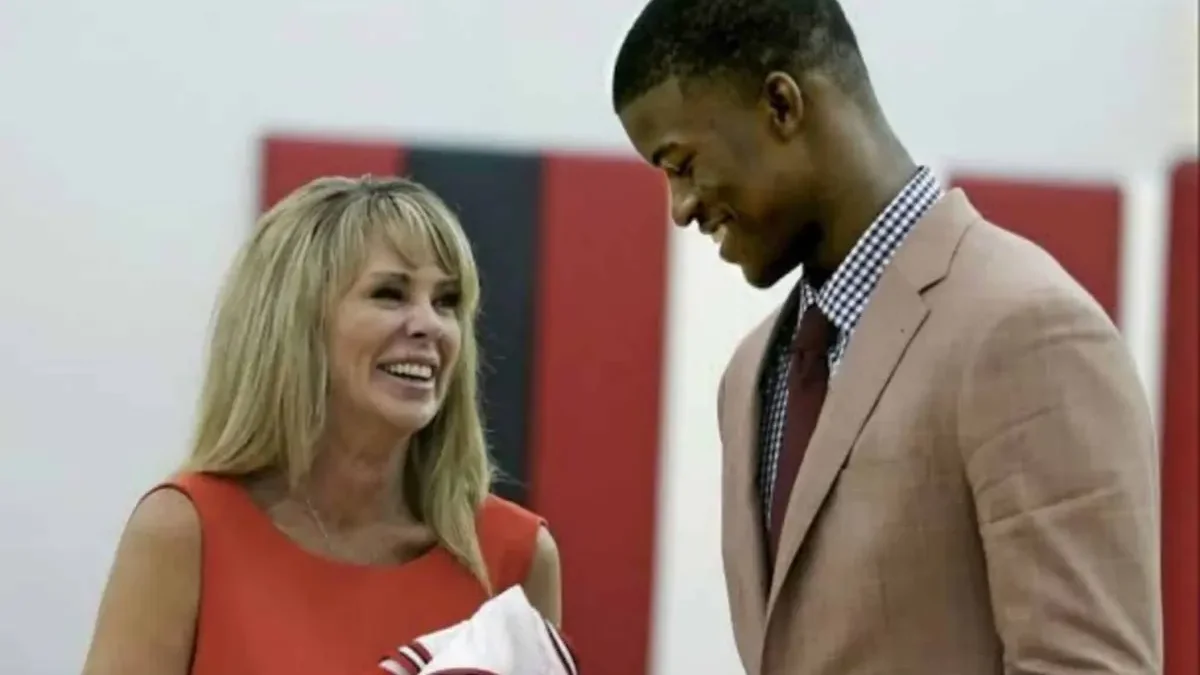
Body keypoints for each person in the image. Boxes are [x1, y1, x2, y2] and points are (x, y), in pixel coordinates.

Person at [611, 1, 1162, 673]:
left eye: (682, 163)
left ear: (782, 105)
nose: (681, 207)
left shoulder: (1028, 330)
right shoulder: (750, 374)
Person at [81, 176, 562, 675]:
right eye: (390, 293)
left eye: (446, 302)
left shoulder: (518, 557)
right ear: (296, 324)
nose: (429, 325)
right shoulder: (183, 531)